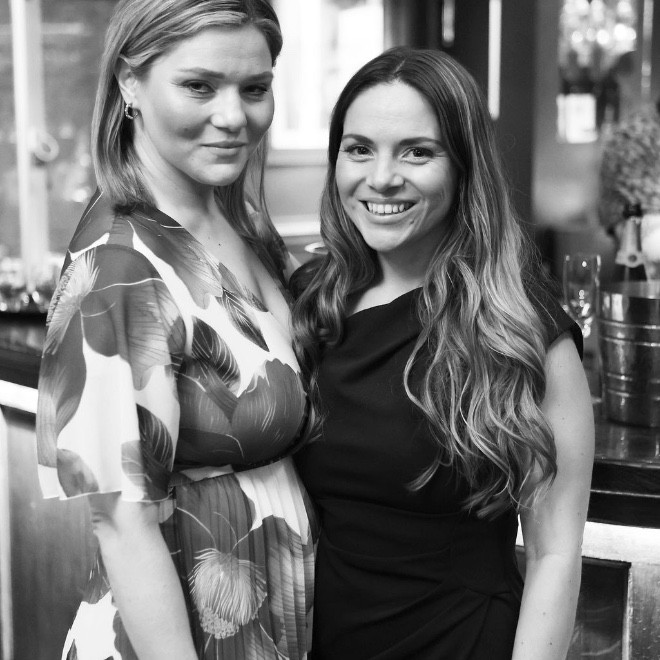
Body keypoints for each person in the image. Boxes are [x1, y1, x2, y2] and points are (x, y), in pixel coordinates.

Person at [291, 47, 594, 660]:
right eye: (359, 149)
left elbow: (554, 556)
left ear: (464, 167)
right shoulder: (311, 301)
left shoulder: (521, 327)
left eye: (417, 152)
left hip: (462, 641)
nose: (381, 178)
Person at [36, 1, 317, 658]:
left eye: (255, 88)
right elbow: (120, 523)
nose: (234, 115)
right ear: (129, 83)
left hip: (261, 620)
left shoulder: (234, 222)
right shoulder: (117, 263)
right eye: (200, 85)